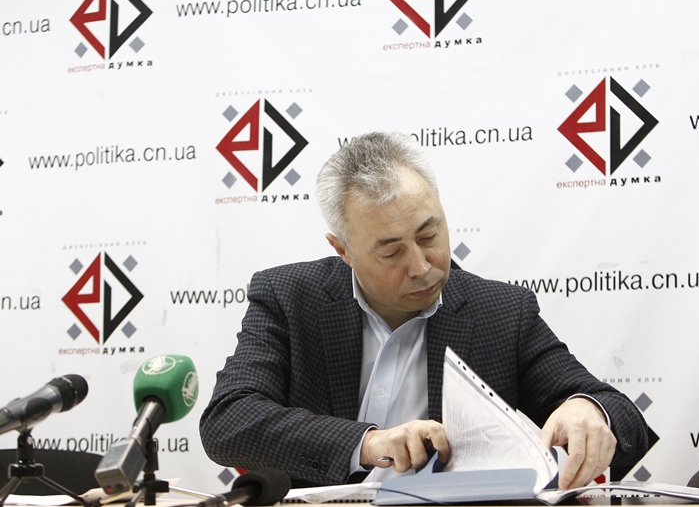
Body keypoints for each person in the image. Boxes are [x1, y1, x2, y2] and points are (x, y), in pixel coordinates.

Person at [199, 132, 648, 489]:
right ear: (344, 250)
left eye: (429, 236)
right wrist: (368, 443)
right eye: (391, 252)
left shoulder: (501, 312)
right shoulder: (289, 298)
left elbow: (625, 418)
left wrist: (589, 410)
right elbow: (228, 421)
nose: (421, 266)